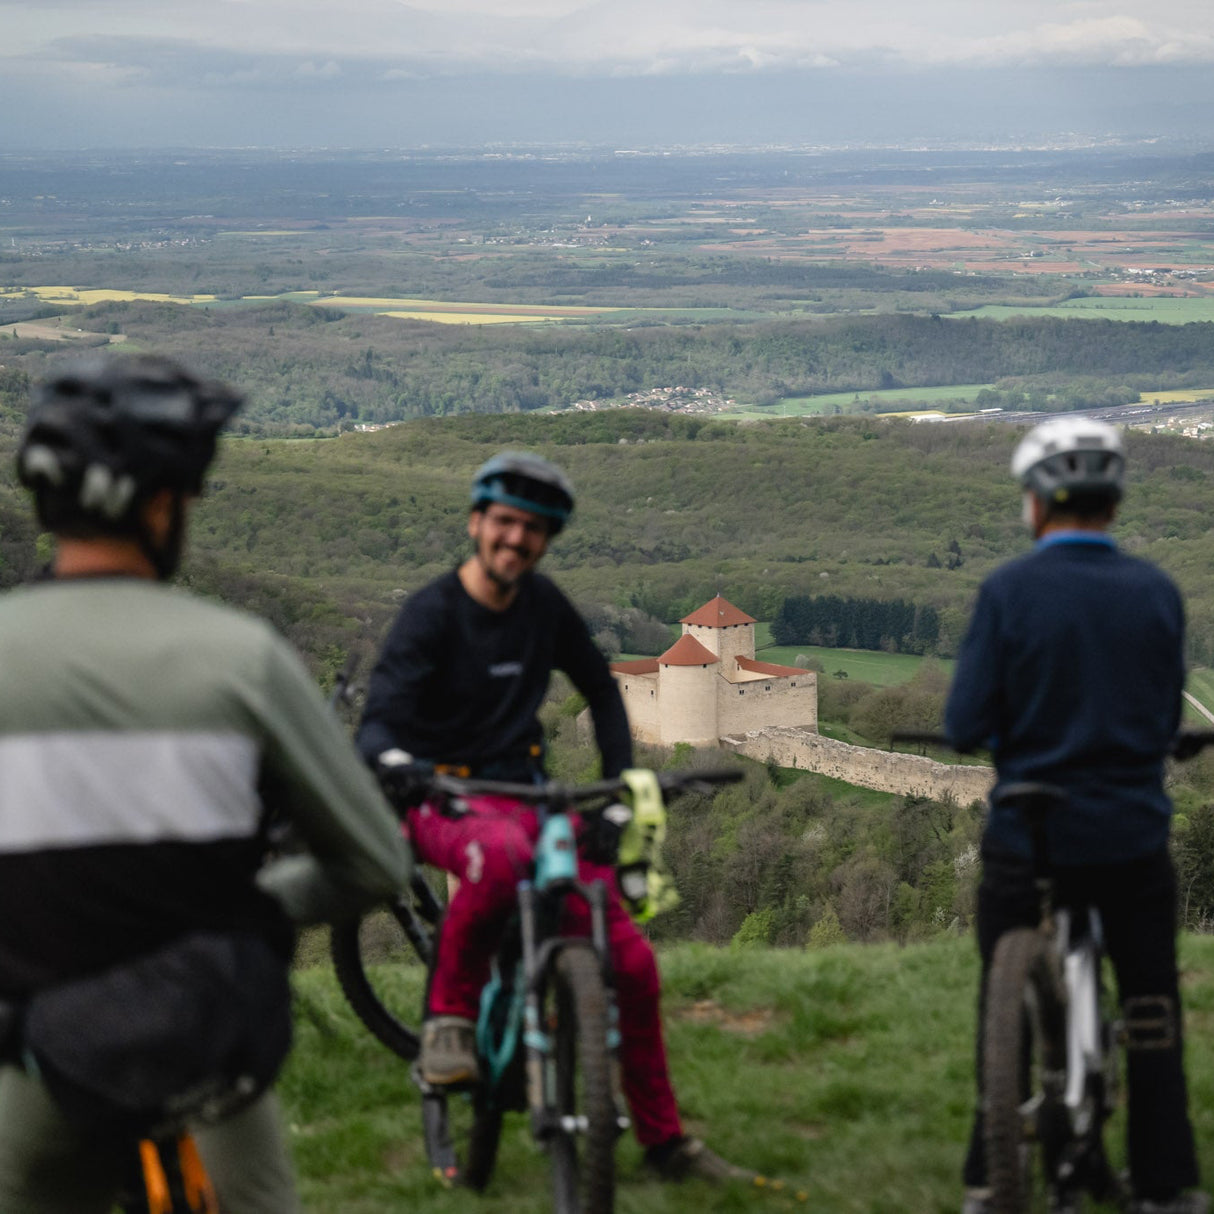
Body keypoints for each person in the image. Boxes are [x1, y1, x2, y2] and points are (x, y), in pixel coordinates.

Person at [0, 353, 411, 1214]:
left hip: (36, 1047)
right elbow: (375, 861)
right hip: (201, 1043)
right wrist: (252, 907)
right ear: (159, 506)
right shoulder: (241, 659)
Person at [357, 449, 749, 1183]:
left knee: (630, 961)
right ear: (477, 523)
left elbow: (601, 689)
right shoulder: (432, 614)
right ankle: (449, 1022)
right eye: (505, 522)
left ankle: (665, 1142)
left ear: (546, 539)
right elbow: (378, 722)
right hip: (442, 799)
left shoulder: (543, 606)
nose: (517, 539)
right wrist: (397, 765)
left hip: (525, 795)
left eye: (533, 529)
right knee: (501, 857)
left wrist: (617, 788)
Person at [945, 416, 1206, 1214]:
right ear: (1113, 503)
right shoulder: (1156, 592)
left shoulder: (1008, 592)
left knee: (1003, 997)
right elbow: (1163, 717)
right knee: (1151, 1001)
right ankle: (1163, 1182)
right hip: (1128, 833)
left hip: (1030, 834)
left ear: (1035, 503)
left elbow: (964, 721)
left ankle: (990, 1172)